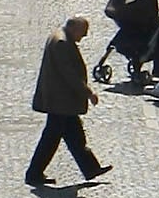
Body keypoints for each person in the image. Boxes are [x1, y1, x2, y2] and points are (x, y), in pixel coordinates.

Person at [26, 17, 108, 189]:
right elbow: (69, 75)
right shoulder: (62, 43)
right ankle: (34, 173)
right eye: (82, 33)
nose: (83, 37)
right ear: (73, 28)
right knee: (52, 138)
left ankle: (91, 168)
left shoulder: (59, 37)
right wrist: (88, 93)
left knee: (74, 135)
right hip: (61, 100)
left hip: (60, 100)